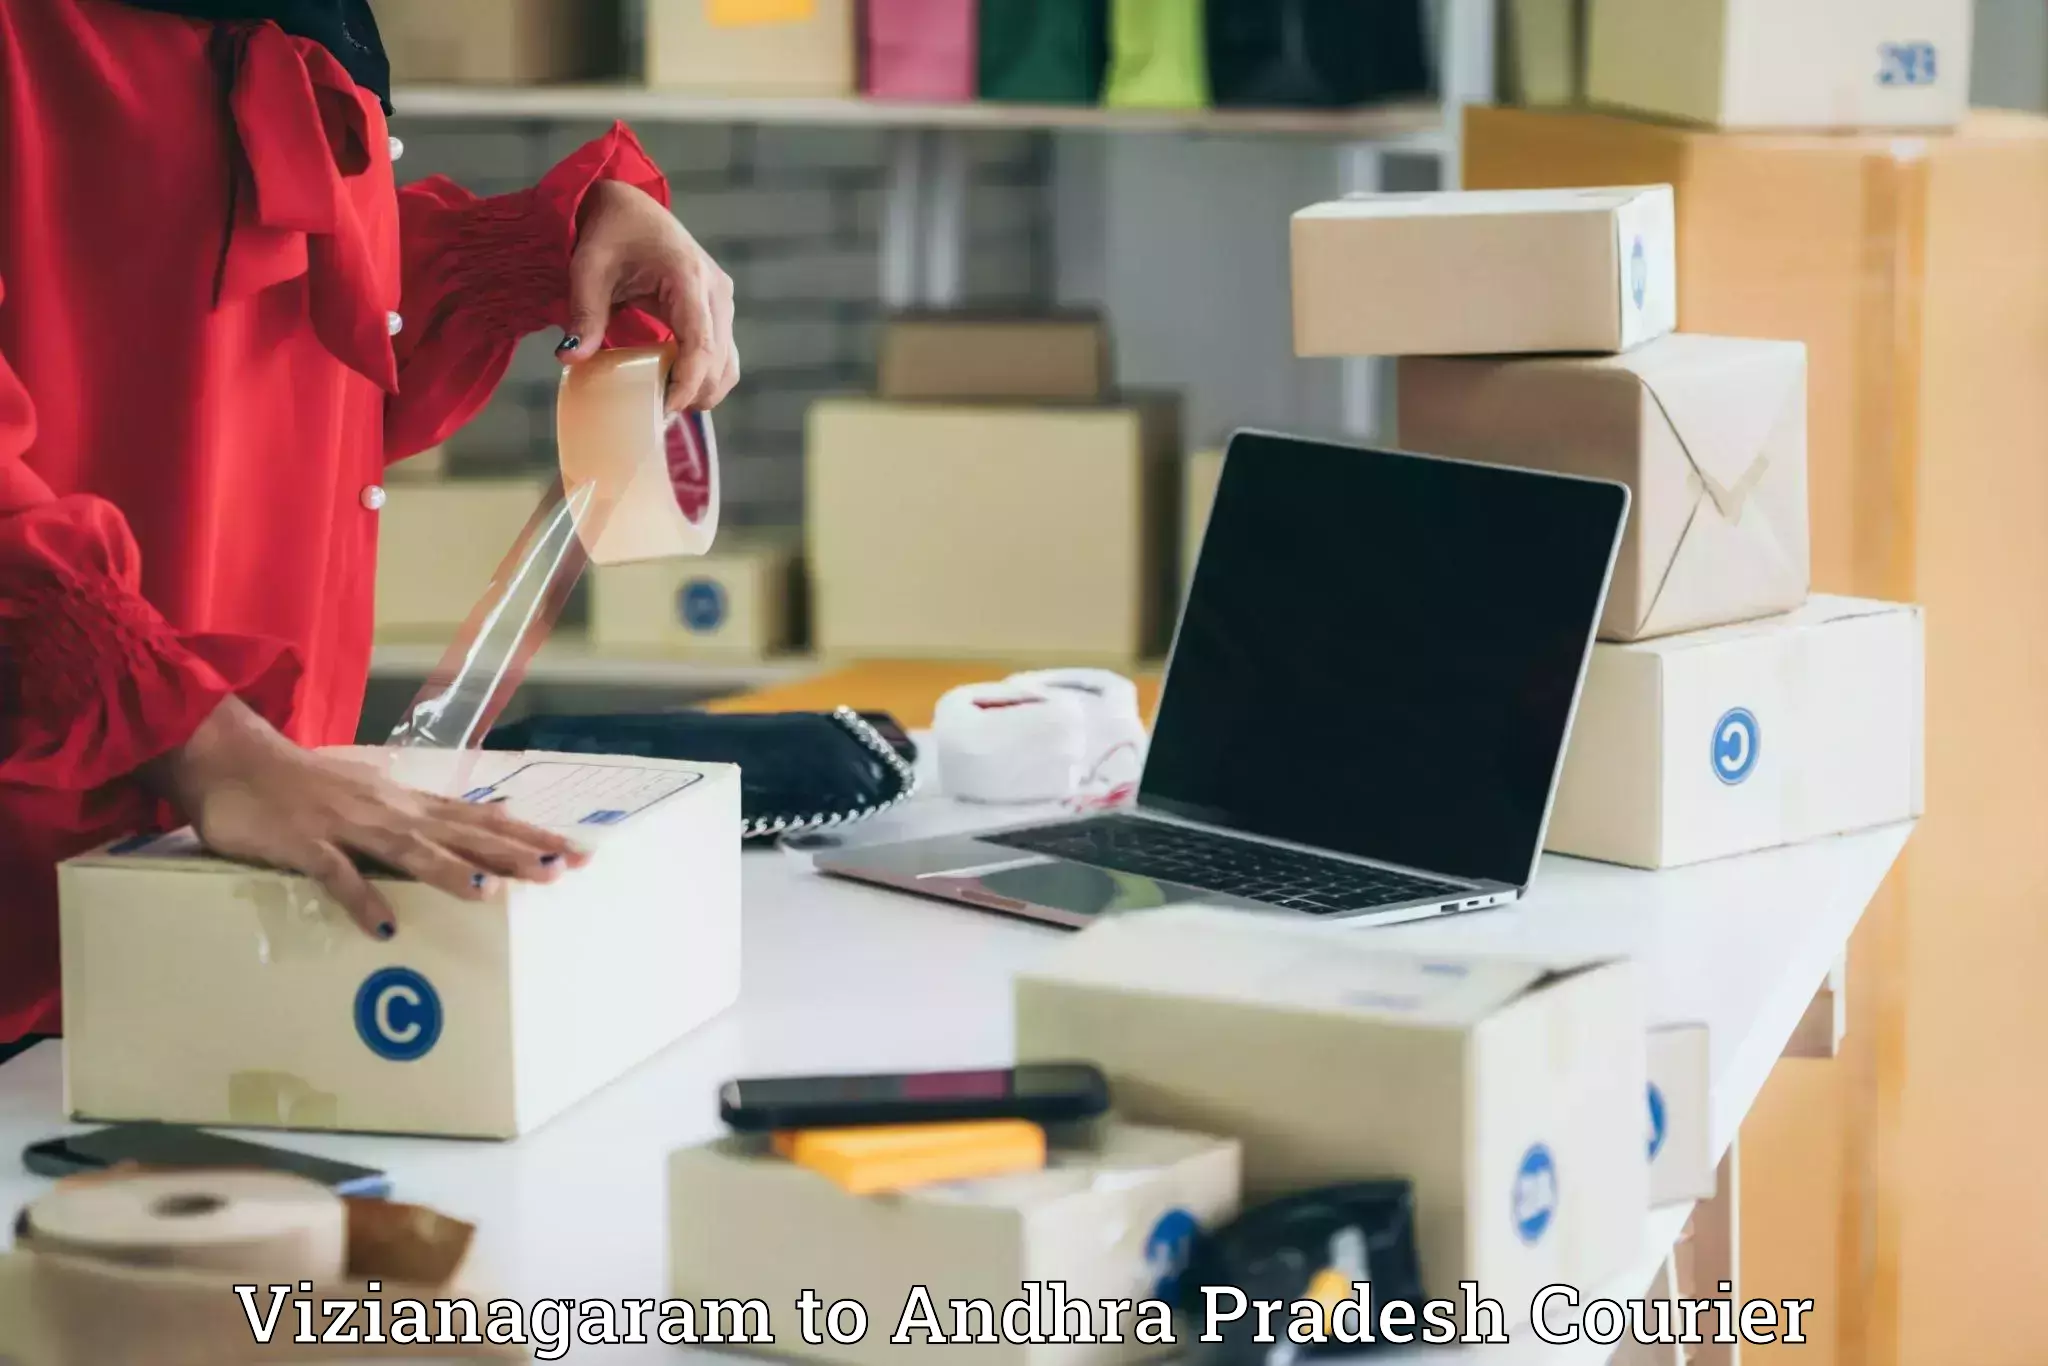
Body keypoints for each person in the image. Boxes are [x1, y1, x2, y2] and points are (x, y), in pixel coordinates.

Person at [0, 0, 742, 1059]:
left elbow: (270, 329)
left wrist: (546, 250)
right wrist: (198, 739)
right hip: (49, 893)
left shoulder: (300, 23)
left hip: (230, 873)